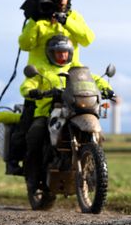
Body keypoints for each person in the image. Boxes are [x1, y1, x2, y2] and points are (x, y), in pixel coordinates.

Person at [6, 0, 95, 175]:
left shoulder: (74, 17)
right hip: (41, 79)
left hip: (71, 79)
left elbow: (87, 38)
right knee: (30, 127)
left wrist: (66, 21)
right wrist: (35, 19)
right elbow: (25, 44)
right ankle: (21, 164)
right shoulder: (39, 17)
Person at [21, 35, 113, 195]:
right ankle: (33, 179)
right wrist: (33, 91)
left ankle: (92, 172)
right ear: (51, 53)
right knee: (35, 134)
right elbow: (27, 85)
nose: (62, 55)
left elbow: (95, 79)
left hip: (74, 110)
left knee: (98, 135)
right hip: (47, 111)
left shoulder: (76, 68)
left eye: (65, 52)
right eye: (58, 52)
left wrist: (105, 88)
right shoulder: (41, 68)